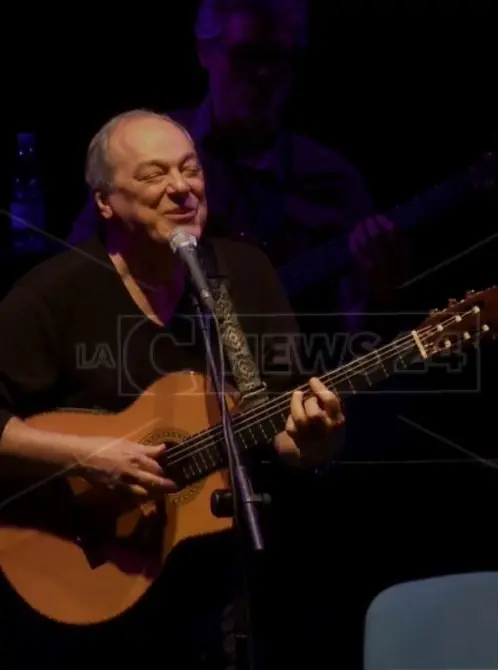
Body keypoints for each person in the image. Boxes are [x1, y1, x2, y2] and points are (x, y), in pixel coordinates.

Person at [0, 109, 345, 667]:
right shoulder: (54, 294)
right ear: (105, 201)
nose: (181, 187)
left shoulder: (246, 275)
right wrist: (87, 456)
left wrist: (313, 444)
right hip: (80, 581)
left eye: (190, 170)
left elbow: (277, 427)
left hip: (218, 589)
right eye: (154, 175)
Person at [67, 0, 403, 335]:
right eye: (247, 55)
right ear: (204, 52)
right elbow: (77, 272)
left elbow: (365, 333)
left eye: (279, 58)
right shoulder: (146, 150)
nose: (264, 75)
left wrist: (380, 286)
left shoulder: (332, 181)